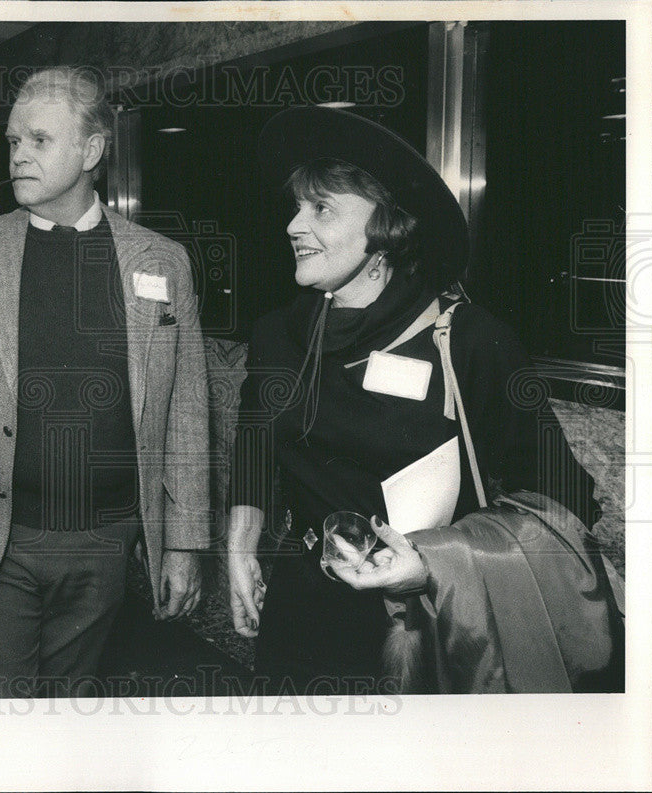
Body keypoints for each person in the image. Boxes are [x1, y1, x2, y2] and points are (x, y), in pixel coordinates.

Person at [226, 106, 619, 694]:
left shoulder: (472, 341)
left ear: (386, 227)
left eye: (321, 208)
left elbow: (565, 498)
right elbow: (255, 445)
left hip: (430, 621)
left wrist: (438, 562)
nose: (293, 225)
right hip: (300, 608)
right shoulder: (276, 335)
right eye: (297, 207)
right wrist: (241, 545)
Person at [0, 66, 209, 697]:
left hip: (108, 544)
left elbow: (187, 415)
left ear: (91, 151)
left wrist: (185, 543)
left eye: (38, 140)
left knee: (71, 713)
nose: (19, 156)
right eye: (13, 142)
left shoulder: (161, 261)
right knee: (0, 722)